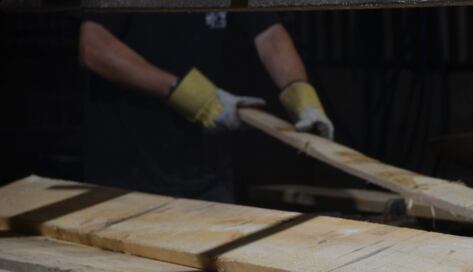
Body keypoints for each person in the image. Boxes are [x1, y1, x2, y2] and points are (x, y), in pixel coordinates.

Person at [78, 12, 332, 201]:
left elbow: (269, 33)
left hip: (208, 177)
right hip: (128, 177)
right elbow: (93, 47)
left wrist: (301, 97)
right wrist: (190, 95)